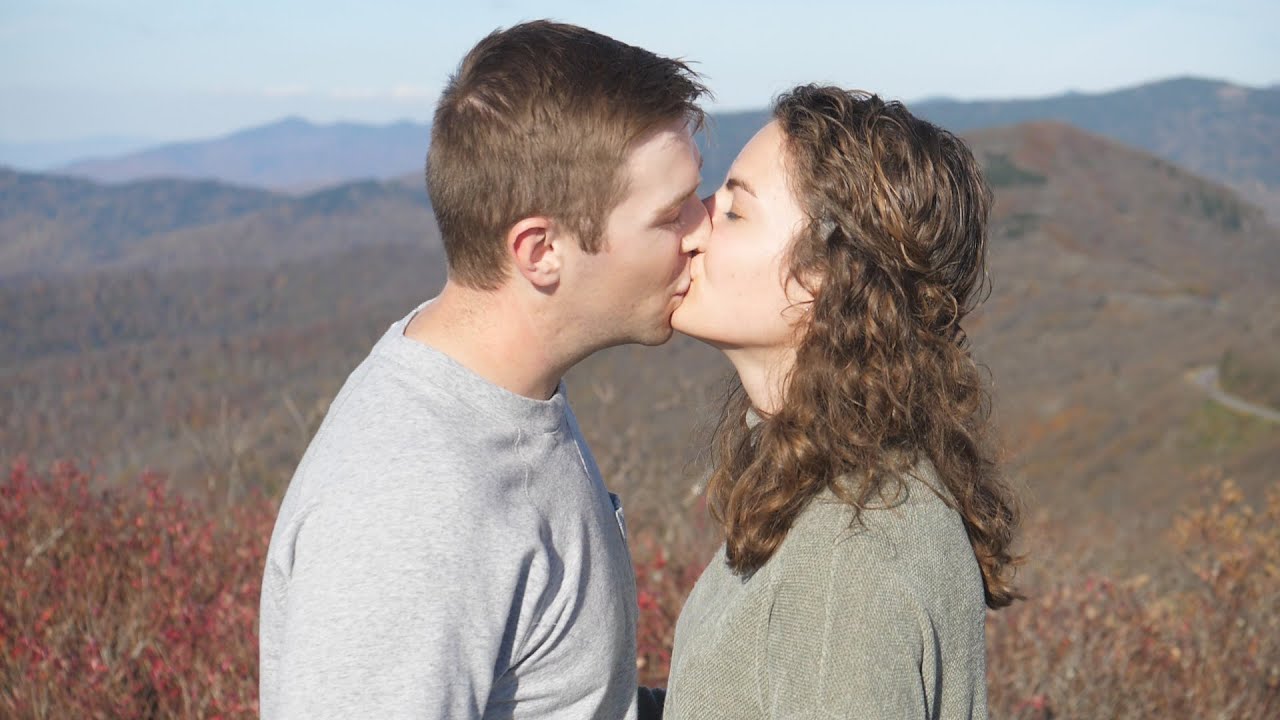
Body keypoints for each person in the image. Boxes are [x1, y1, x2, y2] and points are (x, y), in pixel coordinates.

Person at [258, 21, 709, 719]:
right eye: (672, 214)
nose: (703, 229)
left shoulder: (505, 401)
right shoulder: (410, 509)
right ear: (541, 252)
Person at [663, 85, 1021, 718]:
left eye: (736, 210)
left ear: (827, 278)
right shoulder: (844, 485)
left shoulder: (845, 558)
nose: (696, 223)